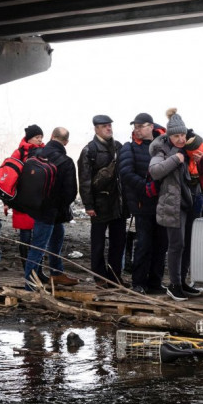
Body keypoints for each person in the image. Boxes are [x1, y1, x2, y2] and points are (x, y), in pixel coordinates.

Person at [149, 109, 203, 300]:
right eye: (176, 136)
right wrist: (176, 159)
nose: (180, 139)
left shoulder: (191, 147)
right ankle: (174, 285)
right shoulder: (162, 149)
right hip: (172, 203)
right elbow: (155, 171)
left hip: (192, 201)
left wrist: (201, 161)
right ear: (169, 135)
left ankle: (183, 282)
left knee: (188, 244)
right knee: (176, 245)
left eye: (182, 135)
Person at [25, 127, 79, 288]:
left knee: (55, 238)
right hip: (52, 211)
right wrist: (59, 205)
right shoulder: (66, 161)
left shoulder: (35, 155)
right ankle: (29, 284)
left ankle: (56, 273)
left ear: (51, 137)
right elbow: (71, 192)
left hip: (37, 207)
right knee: (39, 246)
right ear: (66, 142)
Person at [119, 112, 167, 295]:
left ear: (151, 127)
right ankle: (138, 283)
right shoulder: (129, 148)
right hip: (142, 204)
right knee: (144, 245)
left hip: (163, 204)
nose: (136, 130)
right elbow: (125, 172)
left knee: (161, 245)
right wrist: (146, 188)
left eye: (140, 126)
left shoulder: (164, 145)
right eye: (135, 126)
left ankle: (155, 282)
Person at [78, 115, 127, 287]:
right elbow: (84, 181)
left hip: (119, 204)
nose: (109, 128)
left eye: (110, 125)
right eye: (105, 126)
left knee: (118, 242)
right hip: (99, 204)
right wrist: (89, 205)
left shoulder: (118, 147)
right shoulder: (89, 150)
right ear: (96, 128)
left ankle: (114, 277)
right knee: (98, 243)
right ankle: (99, 277)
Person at [9, 125, 45, 264]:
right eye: (37, 137)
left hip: (39, 200)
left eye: (41, 137)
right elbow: (11, 175)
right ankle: (26, 265)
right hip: (22, 200)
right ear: (29, 138)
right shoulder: (18, 153)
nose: (40, 140)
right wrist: (8, 200)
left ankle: (37, 266)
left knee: (39, 236)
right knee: (25, 235)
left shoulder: (45, 151)